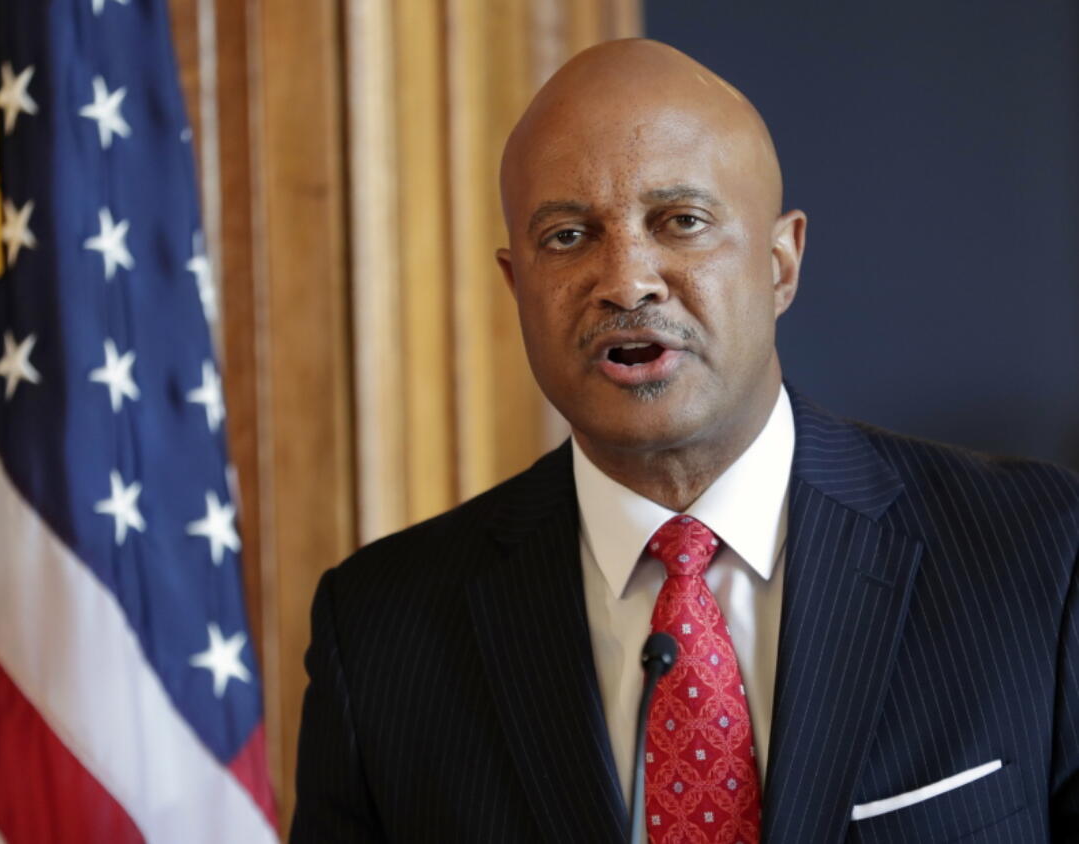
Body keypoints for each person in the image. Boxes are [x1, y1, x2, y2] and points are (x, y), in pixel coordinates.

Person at [290, 39, 1079, 843]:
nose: (627, 280)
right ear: (515, 286)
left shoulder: (1040, 556)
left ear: (780, 265)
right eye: (567, 237)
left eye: (682, 222)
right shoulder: (381, 628)